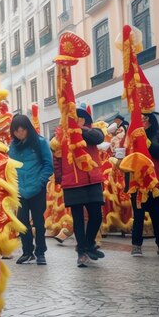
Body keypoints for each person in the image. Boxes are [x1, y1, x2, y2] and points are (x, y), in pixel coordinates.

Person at [54, 107, 105, 267]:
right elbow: (56, 158)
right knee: (78, 219)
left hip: (92, 179)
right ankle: (81, 251)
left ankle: (89, 244)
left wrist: (79, 130)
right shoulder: (61, 136)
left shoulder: (92, 132)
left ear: (84, 120)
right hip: (73, 182)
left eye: (78, 118)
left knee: (96, 215)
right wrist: (60, 177)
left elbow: (98, 138)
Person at [8, 114, 54, 265]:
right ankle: (27, 251)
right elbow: (9, 167)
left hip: (37, 188)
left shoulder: (40, 142)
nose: (20, 134)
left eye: (22, 130)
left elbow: (48, 164)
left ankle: (40, 252)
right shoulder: (12, 147)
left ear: (28, 129)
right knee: (22, 222)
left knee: (39, 222)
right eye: (16, 131)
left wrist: (40, 181)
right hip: (20, 190)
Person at [129, 112, 159, 257]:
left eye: (141, 119)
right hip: (137, 182)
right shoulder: (133, 138)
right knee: (138, 216)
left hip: (156, 183)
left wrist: (147, 144)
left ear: (147, 120)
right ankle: (136, 245)